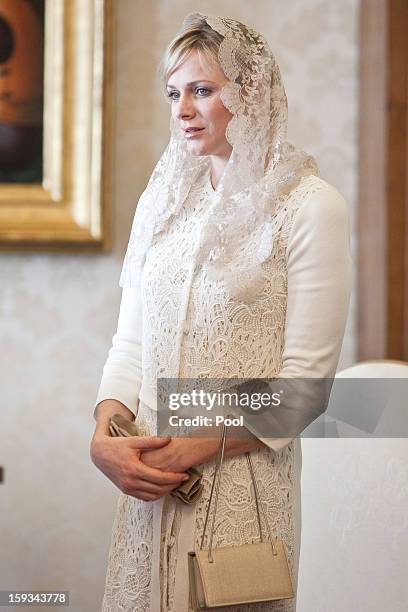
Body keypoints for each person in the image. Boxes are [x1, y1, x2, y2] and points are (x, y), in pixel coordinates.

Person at [90, 13, 352, 612]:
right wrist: (104, 437)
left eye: (202, 90)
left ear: (251, 92)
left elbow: (305, 389)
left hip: (243, 495)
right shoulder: (158, 206)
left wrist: (190, 448)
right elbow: (129, 346)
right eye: (174, 92)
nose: (182, 108)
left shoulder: (310, 207)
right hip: (146, 492)